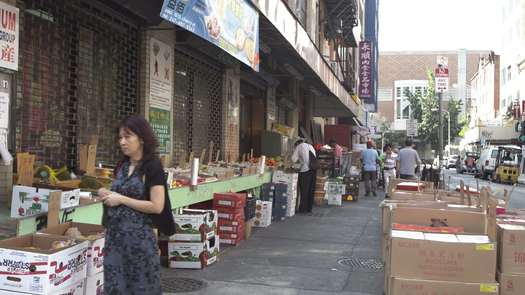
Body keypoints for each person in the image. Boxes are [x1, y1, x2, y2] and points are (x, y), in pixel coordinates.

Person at [98, 115, 175, 295]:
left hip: (139, 242)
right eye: (120, 138)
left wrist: (121, 199)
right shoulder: (122, 165)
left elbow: (157, 206)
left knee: (141, 288)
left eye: (127, 137)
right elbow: (118, 192)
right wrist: (105, 192)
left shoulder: (152, 166)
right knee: (116, 288)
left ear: (141, 138)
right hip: (115, 241)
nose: (122, 142)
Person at [292, 139, 317, 213]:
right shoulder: (310, 146)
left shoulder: (299, 146)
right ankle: (309, 208)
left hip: (305, 171)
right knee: (311, 190)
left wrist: (298, 161)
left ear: (297, 144)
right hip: (313, 170)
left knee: (304, 190)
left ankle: (303, 209)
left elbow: (293, 159)